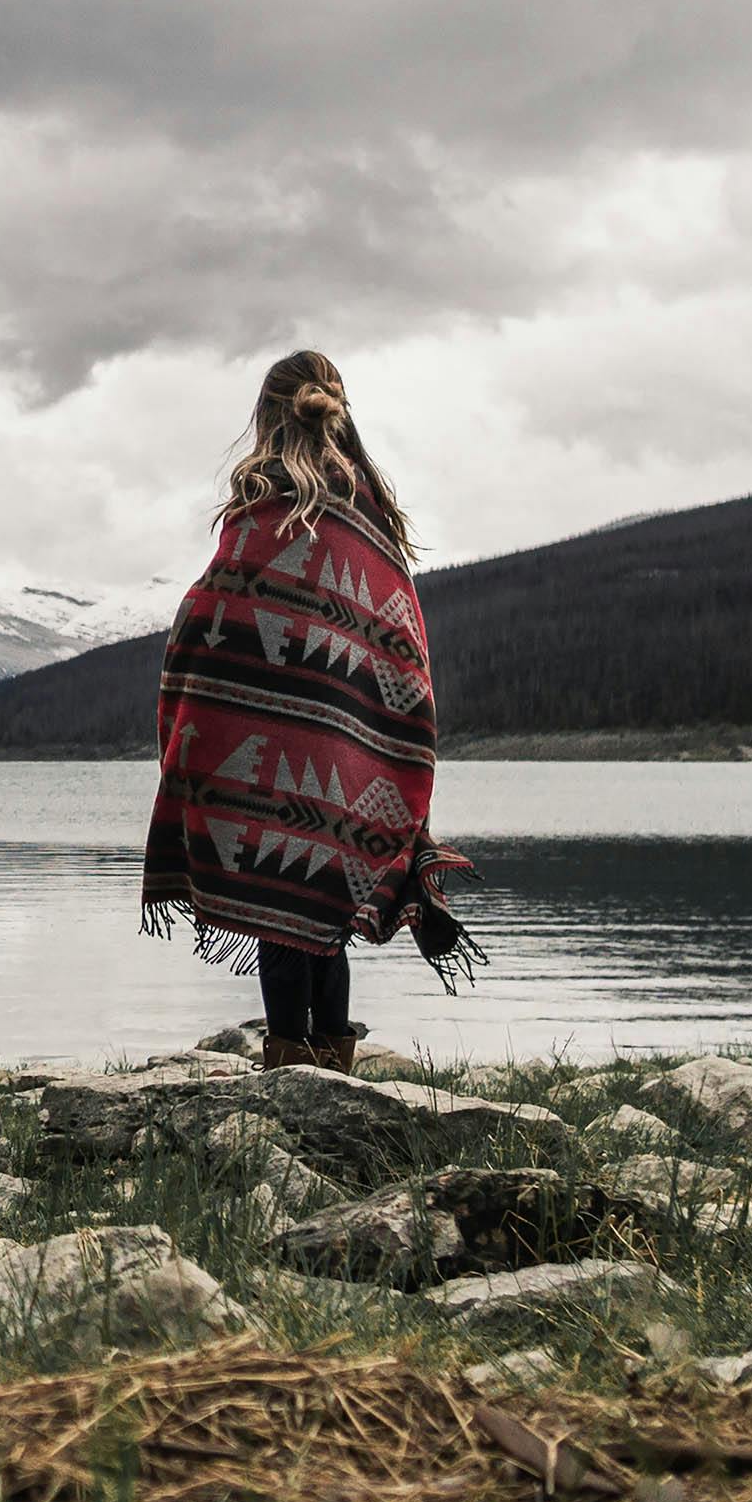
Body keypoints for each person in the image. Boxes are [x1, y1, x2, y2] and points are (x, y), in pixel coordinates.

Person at [140, 348, 470, 1064]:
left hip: (269, 749)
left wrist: (195, 706)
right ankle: (335, 1061)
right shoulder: (371, 514)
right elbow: (397, 641)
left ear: (266, 417)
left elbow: (209, 618)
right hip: (349, 752)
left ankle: (289, 1065)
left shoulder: (262, 504)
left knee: (277, 902)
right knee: (325, 908)